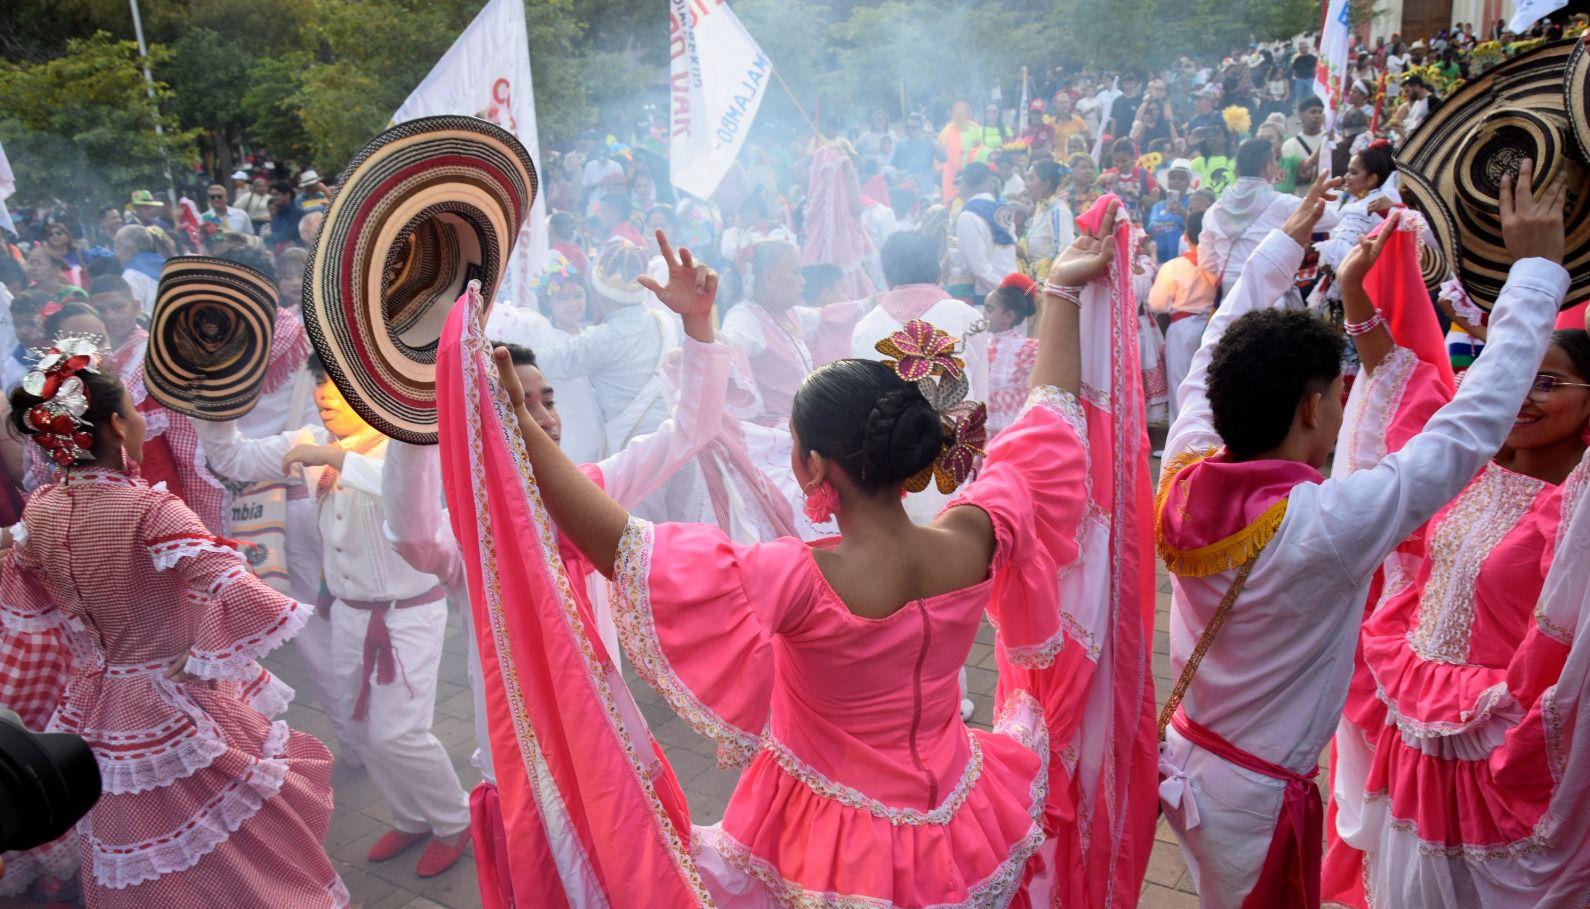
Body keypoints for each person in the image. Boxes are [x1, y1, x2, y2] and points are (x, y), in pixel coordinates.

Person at [444, 198, 1150, 905]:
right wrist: (1059, 290)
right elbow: (1046, 425)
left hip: (839, 840)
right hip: (966, 815)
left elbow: (620, 546)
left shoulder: (796, 577)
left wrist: (514, 426)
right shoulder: (975, 536)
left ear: (814, 467)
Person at [1156, 168, 1567, 908]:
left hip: (1187, 756)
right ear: (1315, 406)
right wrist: (1536, 275)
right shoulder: (1323, 525)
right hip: (1250, 794)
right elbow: (1467, 432)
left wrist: (1280, 252)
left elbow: (1213, 348)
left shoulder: (1183, 467)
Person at [0, 339, 345, 907]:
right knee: (235, 849)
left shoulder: (42, 509)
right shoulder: (148, 509)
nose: (142, 420)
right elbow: (240, 590)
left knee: (144, 850)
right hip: (172, 704)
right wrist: (205, 653)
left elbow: (36, 604)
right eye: (136, 412)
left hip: (97, 711)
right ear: (115, 424)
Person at [1322, 210, 1590, 908]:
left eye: (1551, 383)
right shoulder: (1467, 469)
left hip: (1508, 756)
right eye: (1520, 377)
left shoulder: (1578, 508)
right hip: (1415, 737)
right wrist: (1355, 288)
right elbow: (1403, 382)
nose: (1525, 397)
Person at [194, 351, 475, 878]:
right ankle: (411, 816)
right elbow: (231, 460)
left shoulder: (408, 439)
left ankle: (455, 817)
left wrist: (337, 458)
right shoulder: (309, 440)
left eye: (336, 384)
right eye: (319, 382)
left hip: (407, 612)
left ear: (370, 388)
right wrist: (216, 407)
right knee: (361, 728)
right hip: (347, 610)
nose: (324, 394)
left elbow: (408, 496)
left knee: (401, 733)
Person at [538, 239, 680, 465]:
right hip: (675, 437)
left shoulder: (600, 339)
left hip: (636, 451)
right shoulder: (663, 321)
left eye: (576, 295)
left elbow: (543, 363)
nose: (572, 303)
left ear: (597, 292)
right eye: (562, 297)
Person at [720, 239, 860, 426]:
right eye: (795, 272)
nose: (803, 281)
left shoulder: (791, 313)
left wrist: (878, 304)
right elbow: (723, 353)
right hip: (776, 436)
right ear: (770, 278)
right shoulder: (744, 318)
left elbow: (829, 316)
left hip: (802, 426)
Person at [1198, 138, 1324, 301]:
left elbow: (1207, 263)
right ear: (1268, 167)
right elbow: (1332, 218)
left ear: (1237, 169)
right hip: (1270, 292)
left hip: (1230, 297)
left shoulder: (1213, 211)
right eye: (1274, 161)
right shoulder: (1282, 204)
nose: (1278, 166)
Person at [1149, 210, 1218, 424]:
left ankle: (1181, 443)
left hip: (1183, 326)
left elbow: (1156, 303)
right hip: (1214, 323)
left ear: (1186, 236)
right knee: (1210, 382)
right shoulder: (1219, 264)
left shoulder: (1174, 266)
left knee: (1180, 384)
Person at [983, 272, 1039, 436]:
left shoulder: (1024, 348)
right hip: (985, 423)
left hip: (1012, 424)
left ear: (1009, 315)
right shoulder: (981, 342)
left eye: (990, 309)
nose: (984, 314)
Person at [953, 162, 1018, 295]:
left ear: (965, 184)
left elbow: (979, 268)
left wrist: (1003, 292)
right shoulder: (1003, 212)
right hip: (1010, 288)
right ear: (989, 183)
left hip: (986, 297)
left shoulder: (968, 216)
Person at [1022, 158, 1076, 278]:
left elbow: (1062, 254)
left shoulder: (1058, 211)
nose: (1026, 184)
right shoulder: (1041, 207)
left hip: (1047, 282)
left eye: (1031, 179)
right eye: (1026, 178)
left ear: (1046, 184)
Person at [1145, 159, 1194, 264]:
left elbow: (1195, 230)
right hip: (1156, 260)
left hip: (1181, 261)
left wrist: (1183, 213)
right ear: (1168, 181)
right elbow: (1150, 229)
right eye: (1173, 178)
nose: (1176, 181)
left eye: (1182, 178)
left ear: (1188, 182)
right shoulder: (1157, 206)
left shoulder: (1192, 204)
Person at [111, 224, 162, 311]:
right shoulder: (171, 265)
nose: (116, 254)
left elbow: (137, 316)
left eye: (116, 249)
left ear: (128, 249)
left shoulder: (132, 276)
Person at [938, 100, 980, 202]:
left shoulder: (975, 129)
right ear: (953, 113)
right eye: (957, 110)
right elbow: (939, 151)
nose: (960, 113)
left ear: (968, 113)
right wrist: (940, 168)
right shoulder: (946, 131)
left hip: (971, 172)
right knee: (952, 201)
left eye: (963, 110)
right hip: (951, 174)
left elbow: (981, 149)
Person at [266, 180, 303, 248]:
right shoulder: (278, 213)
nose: (273, 198)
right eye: (272, 195)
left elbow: (288, 234)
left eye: (276, 194)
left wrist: (269, 235)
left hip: (293, 253)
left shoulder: (296, 212)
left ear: (287, 195)